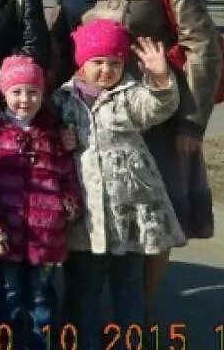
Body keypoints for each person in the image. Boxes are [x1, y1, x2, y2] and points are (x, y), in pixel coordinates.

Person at [49, 0, 219, 303]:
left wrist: (191, 122)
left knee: (156, 216)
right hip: (92, 120)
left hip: (157, 116)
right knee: (92, 211)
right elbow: (56, 52)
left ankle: (140, 308)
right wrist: (49, 117)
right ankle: (92, 308)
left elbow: (203, 47)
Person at [53, 20, 184, 350]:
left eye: (114, 63)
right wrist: (60, 141)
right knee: (84, 289)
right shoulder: (62, 100)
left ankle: (131, 340)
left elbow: (160, 105)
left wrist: (160, 77)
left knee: (128, 287)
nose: (106, 70)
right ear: (81, 62)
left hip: (130, 217)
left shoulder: (130, 95)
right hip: (85, 220)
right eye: (98, 62)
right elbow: (44, 141)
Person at [0, 56, 80, 350]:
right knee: (9, 298)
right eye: (17, 91)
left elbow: (67, 175)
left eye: (33, 92)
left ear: (42, 94)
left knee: (41, 298)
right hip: (8, 236)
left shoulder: (52, 134)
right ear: (4, 92)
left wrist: (68, 204)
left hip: (46, 238)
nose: (25, 99)